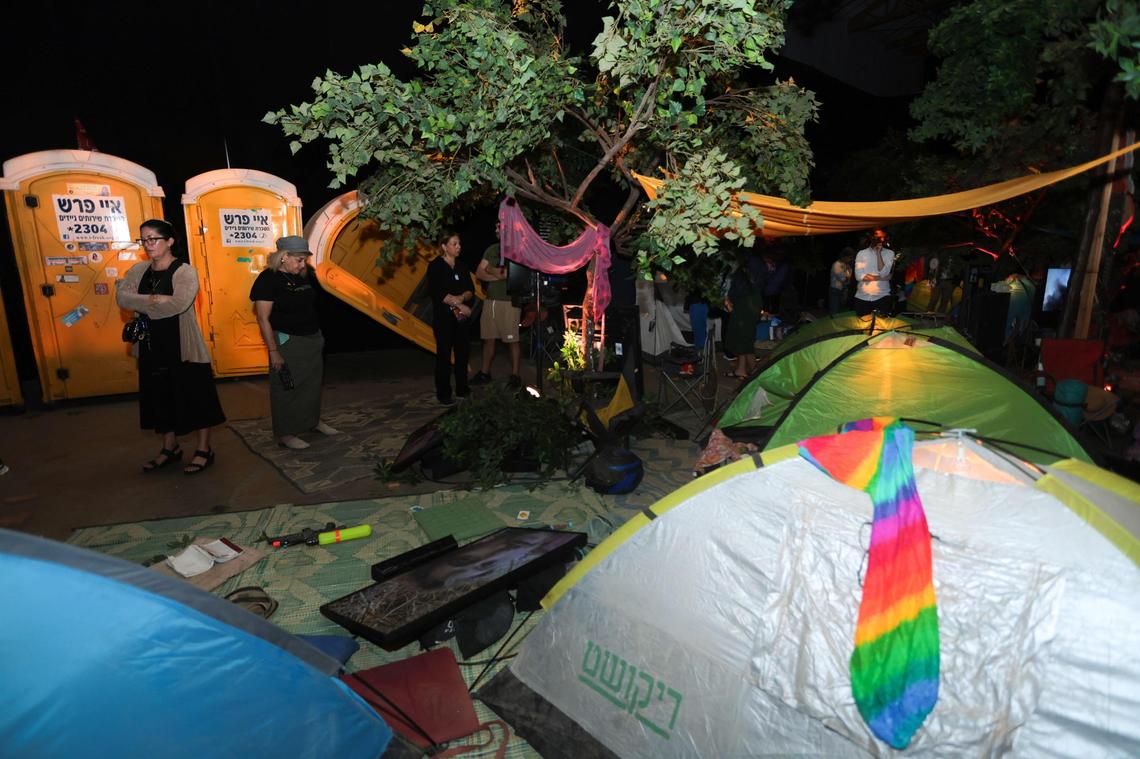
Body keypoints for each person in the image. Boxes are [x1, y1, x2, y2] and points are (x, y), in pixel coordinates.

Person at [115, 219, 225, 474]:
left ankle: (204, 449)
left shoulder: (185, 271)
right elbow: (122, 298)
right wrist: (157, 299)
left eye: (153, 239)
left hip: (183, 346)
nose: (148, 244)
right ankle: (170, 448)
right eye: (144, 239)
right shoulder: (138, 269)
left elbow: (178, 304)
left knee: (197, 399)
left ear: (170, 241)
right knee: (160, 398)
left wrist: (141, 302)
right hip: (151, 346)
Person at [250, 235, 340, 450]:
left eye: (304, 260)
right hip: (288, 341)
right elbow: (263, 319)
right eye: (298, 260)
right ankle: (285, 433)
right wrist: (274, 351)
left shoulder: (301, 275)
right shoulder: (267, 279)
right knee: (286, 386)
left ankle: (312, 422)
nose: (302, 265)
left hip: (312, 339)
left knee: (312, 384)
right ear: (283, 257)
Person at [428, 230, 475, 406]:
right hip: (443, 318)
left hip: (460, 318)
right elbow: (438, 292)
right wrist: (460, 306)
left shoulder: (462, 266)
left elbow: (471, 290)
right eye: (454, 244)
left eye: (459, 244)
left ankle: (463, 389)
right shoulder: (435, 266)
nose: (458, 247)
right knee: (444, 355)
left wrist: (463, 298)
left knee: (463, 353)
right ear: (444, 247)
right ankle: (444, 393)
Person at [471, 221, 521, 386]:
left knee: (511, 340)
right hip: (490, 300)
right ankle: (485, 373)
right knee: (488, 338)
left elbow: (509, 274)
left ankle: (515, 376)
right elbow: (479, 273)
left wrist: (491, 270)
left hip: (509, 302)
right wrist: (498, 274)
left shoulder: (516, 250)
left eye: (498, 227)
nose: (496, 229)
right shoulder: (492, 249)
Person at [723, 249, 764, 379]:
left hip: (745, 305)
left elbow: (739, 288)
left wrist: (729, 300)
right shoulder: (756, 263)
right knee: (744, 338)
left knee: (743, 339)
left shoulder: (746, 266)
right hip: (752, 303)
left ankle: (756, 373)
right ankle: (742, 370)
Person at [853, 230, 895, 317]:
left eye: (881, 237)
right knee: (862, 327)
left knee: (882, 328)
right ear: (871, 237)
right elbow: (858, 276)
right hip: (862, 296)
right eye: (876, 236)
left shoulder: (890, 253)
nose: (879, 239)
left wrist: (878, 254)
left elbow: (884, 272)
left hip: (882, 296)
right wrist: (882, 278)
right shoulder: (862, 253)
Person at [829, 247, 856, 315]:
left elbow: (848, 278)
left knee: (840, 310)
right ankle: (833, 324)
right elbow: (844, 279)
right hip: (835, 290)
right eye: (849, 257)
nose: (850, 259)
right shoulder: (837, 265)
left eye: (851, 258)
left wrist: (849, 272)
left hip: (842, 290)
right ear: (844, 256)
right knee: (834, 311)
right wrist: (849, 274)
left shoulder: (845, 265)